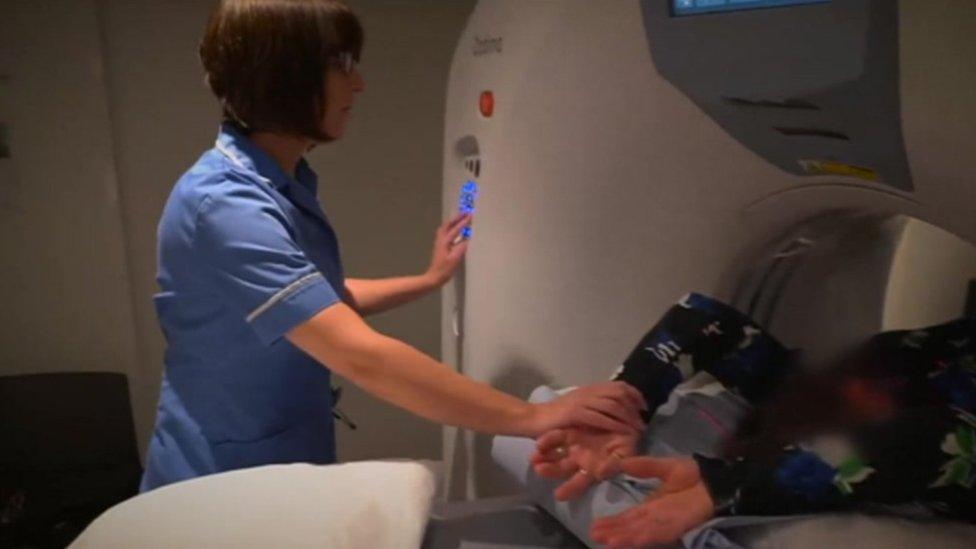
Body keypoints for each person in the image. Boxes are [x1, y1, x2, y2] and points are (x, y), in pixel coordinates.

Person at [141, 0, 646, 492]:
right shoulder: (227, 206)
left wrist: (429, 280)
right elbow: (361, 356)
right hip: (219, 481)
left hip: (276, 456)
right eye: (341, 65)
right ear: (285, 77)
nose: (358, 83)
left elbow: (317, 299)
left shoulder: (277, 182)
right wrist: (533, 415)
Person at [532, 294, 976, 548]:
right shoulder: (826, 393)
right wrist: (625, 405)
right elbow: (702, 320)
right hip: (860, 386)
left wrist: (724, 484)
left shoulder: (947, 439)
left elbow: (942, 440)